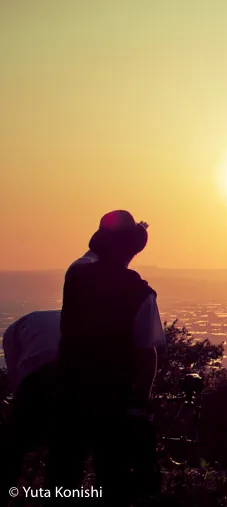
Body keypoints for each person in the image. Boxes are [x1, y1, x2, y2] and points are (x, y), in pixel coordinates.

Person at [48, 211, 166, 506]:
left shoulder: (76, 274)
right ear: (132, 249)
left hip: (69, 391)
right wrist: (142, 401)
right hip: (115, 400)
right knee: (113, 481)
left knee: (62, 476)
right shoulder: (139, 292)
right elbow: (146, 351)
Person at [1, 310, 61, 490]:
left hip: (41, 372)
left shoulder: (14, 332)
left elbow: (17, 380)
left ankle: (7, 484)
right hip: (70, 370)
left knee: (17, 443)